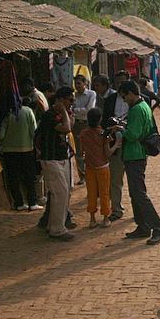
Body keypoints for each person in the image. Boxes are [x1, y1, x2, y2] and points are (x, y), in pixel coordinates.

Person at [117, 81, 160, 245]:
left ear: (131, 93)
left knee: (139, 194)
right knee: (135, 193)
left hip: (135, 154)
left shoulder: (136, 109)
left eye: (124, 97)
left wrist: (120, 129)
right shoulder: (144, 105)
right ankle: (143, 226)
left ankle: (157, 228)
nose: (124, 100)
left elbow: (133, 135)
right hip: (137, 154)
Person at [0, 98, 41, 210]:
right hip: (27, 151)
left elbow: (0, 135)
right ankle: (32, 203)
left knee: (13, 178)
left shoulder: (7, 115)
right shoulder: (28, 111)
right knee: (29, 178)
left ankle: (19, 204)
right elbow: (34, 131)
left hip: (9, 152)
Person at [37, 87, 76, 241]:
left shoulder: (61, 114)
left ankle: (53, 224)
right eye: (70, 100)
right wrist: (65, 112)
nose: (72, 103)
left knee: (63, 193)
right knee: (60, 193)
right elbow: (66, 128)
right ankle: (57, 229)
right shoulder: (50, 115)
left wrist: (67, 112)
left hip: (61, 157)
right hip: (51, 158)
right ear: (61, 100)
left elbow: (70, 125)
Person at [80, 108, 119, 229]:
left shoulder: (83, 134)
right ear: (100, 119)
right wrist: (117, 143)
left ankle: (92, 219)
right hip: (102, 166)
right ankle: (105, 218)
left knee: (91, 193)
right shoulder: (103, 134)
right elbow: (107, 153)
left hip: (89, 167)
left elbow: (82, 150)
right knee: (104, 193)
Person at [101, 71, 129, 222]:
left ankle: (139, 209)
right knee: (115, 180)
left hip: (132, 145)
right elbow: (104, 122)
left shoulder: (139, 101)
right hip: (115, 145)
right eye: (117, 83)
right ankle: (117, 209)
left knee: (135, 180)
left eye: (122, 82)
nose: (120, 85)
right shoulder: (110, 100)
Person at [72, 74, 96, 184]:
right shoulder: (74, 95)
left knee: (90, 150)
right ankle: (82, 176)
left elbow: (89, 109)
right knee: (79, 151)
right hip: (76, 125)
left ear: (85, 83)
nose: (77, 86)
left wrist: (76, 111)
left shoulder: (91, 94)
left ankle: (91, 173)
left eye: (79, 83)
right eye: (76, 84)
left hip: (87, 124)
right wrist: (80, 110)